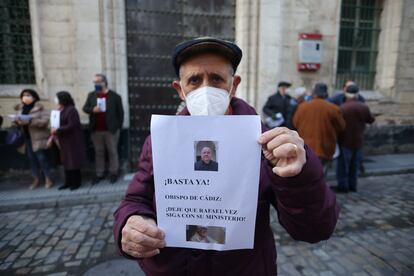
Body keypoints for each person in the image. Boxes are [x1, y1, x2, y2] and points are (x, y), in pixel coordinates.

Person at [113, 37, 339, 275]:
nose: (205, 89)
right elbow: (136, 199)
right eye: (194, 80)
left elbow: (315, 229)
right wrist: (130, 224)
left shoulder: (267, 144)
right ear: (180, 89)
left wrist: (299, 176)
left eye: (216, 79)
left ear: (234, 85)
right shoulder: (160, 141)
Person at [293, 83, 346, 176]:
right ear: (326, 94)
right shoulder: (333, 108)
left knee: (306, 174)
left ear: (313, 93)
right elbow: (341, 127)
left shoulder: (302, 107)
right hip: (326, 147)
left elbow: (295, 123)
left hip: (306, 146)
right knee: (321, 174)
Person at [83, 74, 124, 184]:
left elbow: (121, 113)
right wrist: (93, 109)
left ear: (104, 82)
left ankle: (113, 173)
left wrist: (117, 127)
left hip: (111, 130)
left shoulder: (115, 96)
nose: (96, 84)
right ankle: (99, 174)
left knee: (112, 152)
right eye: (94, 82)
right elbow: (85, 108)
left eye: (98, 82)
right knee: (99, 152)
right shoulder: (92, 95)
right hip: (96, 130)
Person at [333, 84, 375, 193]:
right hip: (358, 140)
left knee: (343, 165)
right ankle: (353, 185)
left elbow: (337, 124)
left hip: (344, 140)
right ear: (357, 94)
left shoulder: (342, 108)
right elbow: (370, 120)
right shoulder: (363, 107)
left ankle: (343, 186)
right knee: (354, 165)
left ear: (346, 94)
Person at [14, 89, 53, 189]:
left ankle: (48, 178)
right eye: (23, 95)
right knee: (31, 159)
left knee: (42, 158)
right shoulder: (20, 108)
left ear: (34, 97)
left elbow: (44, 122)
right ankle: (36, 179)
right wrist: (16, 121)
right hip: (26, 138)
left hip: (38, 138)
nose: (25, 97)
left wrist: (30, 121)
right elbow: (17, 121)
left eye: (28, 95)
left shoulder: (40, 108)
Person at [51, 91, 86, 191]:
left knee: (73, 161)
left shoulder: (71, 110)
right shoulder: (61, 109)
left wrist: (57, 130)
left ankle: (76, 182)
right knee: (65, 161)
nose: (55, 100)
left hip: (72, 140)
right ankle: (67, 182)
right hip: (63, 140)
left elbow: (72, 125)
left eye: (57, 98)